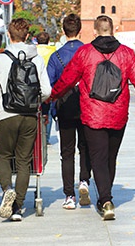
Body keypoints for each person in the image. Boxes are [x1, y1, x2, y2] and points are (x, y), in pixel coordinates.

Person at [50, 15, 135, 221]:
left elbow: (67, 79)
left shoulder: (85, 53)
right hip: (118, 114)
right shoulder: (127, 54)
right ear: (113, 30)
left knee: (98, 159)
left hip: (93, 114)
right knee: (110, 157)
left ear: (94, 31)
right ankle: (105, 197)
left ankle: (106, 199)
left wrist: (52, 95)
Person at [0, 18, 52, 222]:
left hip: (6, 114)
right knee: (24, 161)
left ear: (9, 36)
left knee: (3, 156)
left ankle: (7, 190)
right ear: (28, 36)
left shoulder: (0, 59)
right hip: (30, 115)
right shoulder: (37, 59)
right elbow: (47, 90)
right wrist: (35, 101)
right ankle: (18, 208)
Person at [46, 14, 92, 210]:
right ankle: (84, 180)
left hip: (64, 107)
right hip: (87, 106)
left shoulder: (56, 56)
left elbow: (49, 85)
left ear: (63, 32)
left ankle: (69, 196)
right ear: (80, 30)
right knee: (85, 147)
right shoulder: (89, 53)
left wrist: (48, 109)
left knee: (67, 152)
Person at [35, 31, 57, 144]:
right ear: (48, 41)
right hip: (49, 85)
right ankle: (46, 138)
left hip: (35, 87)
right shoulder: (54, 52)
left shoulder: (33, 51)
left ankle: (37, 136)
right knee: (47, 112)